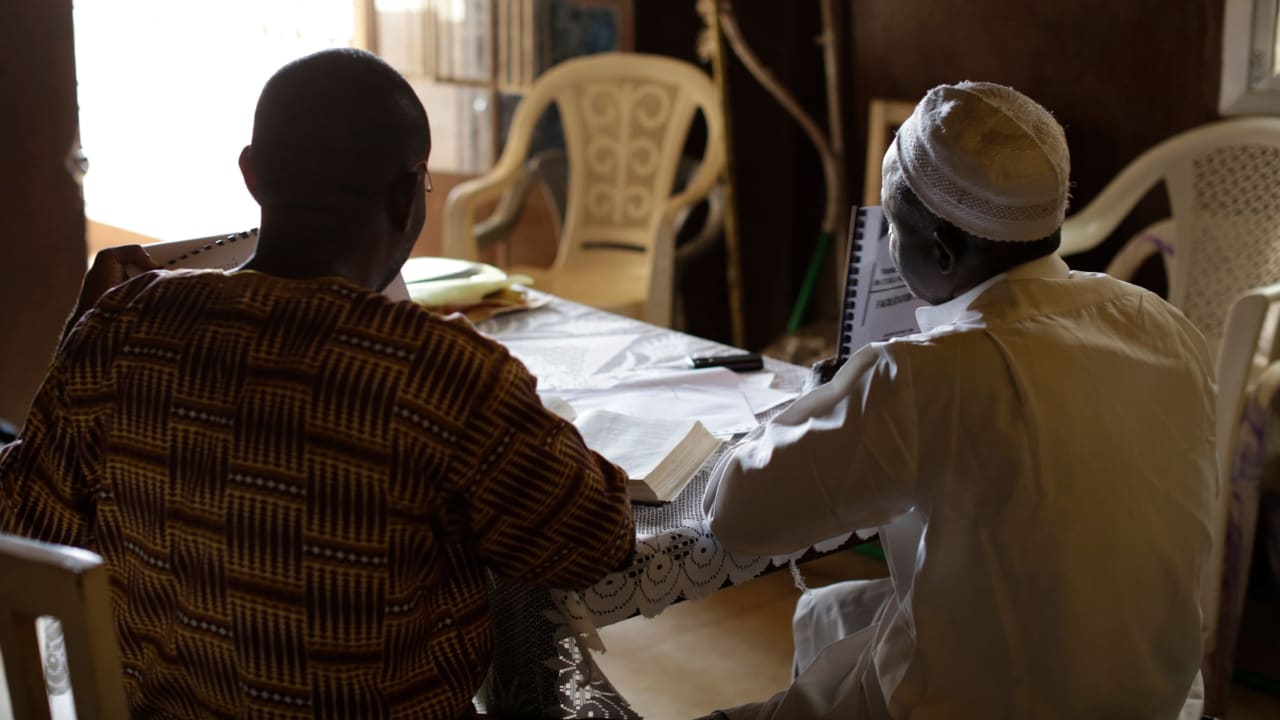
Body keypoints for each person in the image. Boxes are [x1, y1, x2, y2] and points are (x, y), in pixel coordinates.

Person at [0, 48, 634, 718]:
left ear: (251, 175)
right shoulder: (440, 373)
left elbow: (22, 515)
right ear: (404, 197)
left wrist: (85, 331)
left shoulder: (122, 328)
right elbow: (593, 543)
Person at [701, 82, 1216, 718]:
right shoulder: (1161, 324)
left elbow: (738, 513)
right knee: (834, 611)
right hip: (1148, 697)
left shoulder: (927, 375)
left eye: (893, 228)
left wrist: (820, 397)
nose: (890, 244)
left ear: (941, 251)